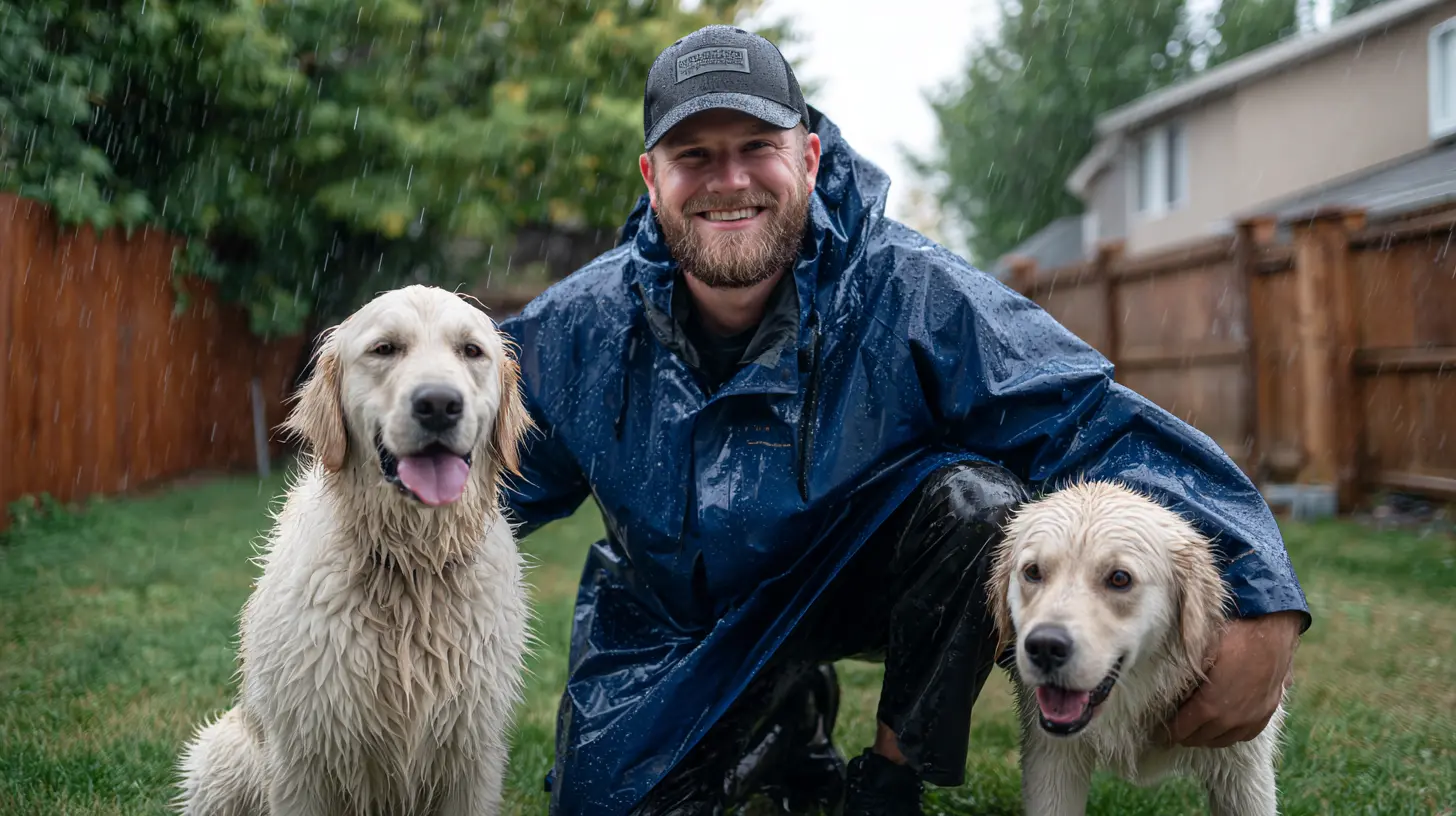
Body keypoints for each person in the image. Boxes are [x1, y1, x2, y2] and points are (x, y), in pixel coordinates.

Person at [497, 24, 1311, 816]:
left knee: (979, 503)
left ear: (808, 158)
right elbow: (476, 482)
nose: (730, 179)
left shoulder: (913, 290)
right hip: (676, 609)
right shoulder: (579, 329)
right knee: (606, 805)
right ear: (651, 176)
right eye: (694, 156)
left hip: (861, 580)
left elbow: (1093, 418)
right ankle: (783, 715)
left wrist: (1261, 594)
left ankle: (887, 776)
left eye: (757, 148)